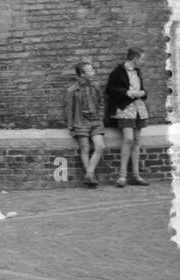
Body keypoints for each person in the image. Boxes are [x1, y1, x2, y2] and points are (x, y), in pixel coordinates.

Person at [106, 47, 150, 187]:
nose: (142, 62)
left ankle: (136, 175)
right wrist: (126, 93)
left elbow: (142, 89)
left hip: (139, 109)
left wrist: (143, 93)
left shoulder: (138, 72)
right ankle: (122, 176)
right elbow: (109, 90)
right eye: (141, 58)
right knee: (128, 139)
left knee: (136, 140)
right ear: (134, 58)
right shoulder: (118, 72)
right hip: (124, 109)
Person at [63, 59, 106, 187]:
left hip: (95, 121)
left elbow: (101, 103)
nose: (94, 72)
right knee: (85, 148)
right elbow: (68, 109)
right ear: (82, 74)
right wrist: (71, 126)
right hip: (81, 121)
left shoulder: (96, 86)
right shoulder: (72, 90)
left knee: (100, 146)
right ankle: (91, 178)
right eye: (90, 70)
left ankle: (89, 173)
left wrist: (100, 117)